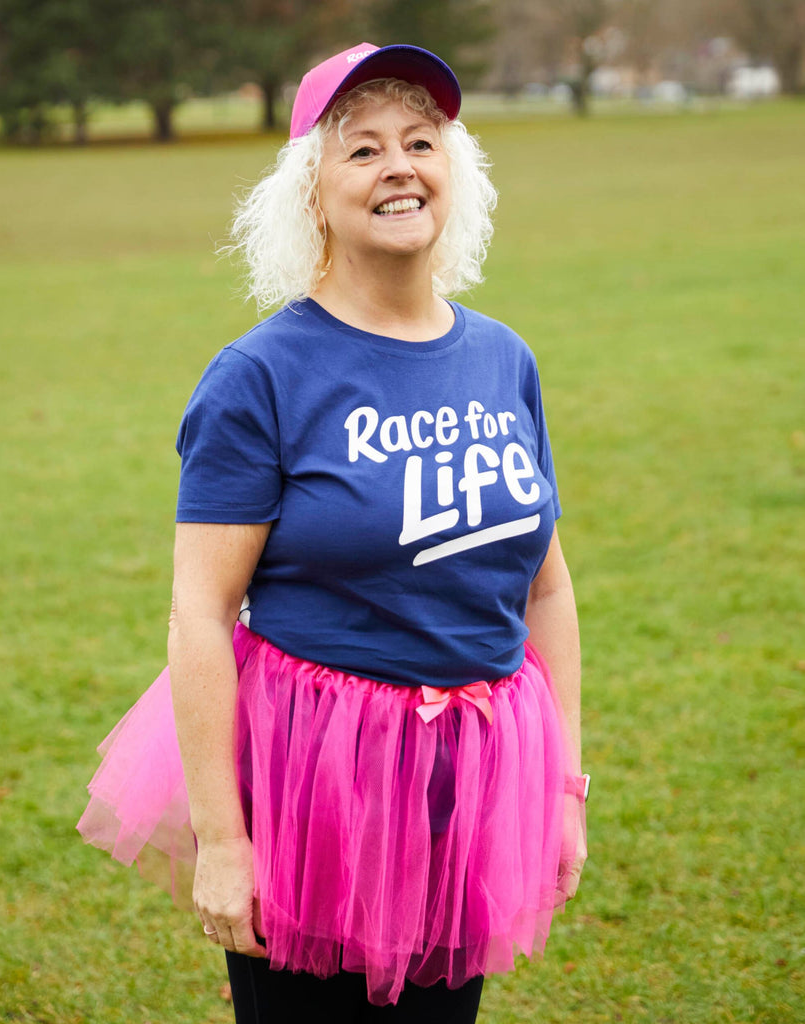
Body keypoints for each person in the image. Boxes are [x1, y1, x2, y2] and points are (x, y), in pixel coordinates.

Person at [78, 42, 588, 1024]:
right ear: (310, 194)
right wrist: (226, 843)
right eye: (361, 150)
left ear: (455, 171)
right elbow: (199, 611)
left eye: (421, 141)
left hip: (474, 775)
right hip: (320, 782)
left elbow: (547, 589)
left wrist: (564, 789)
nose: (399, 165)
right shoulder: (260, 378)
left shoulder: (503, 359)